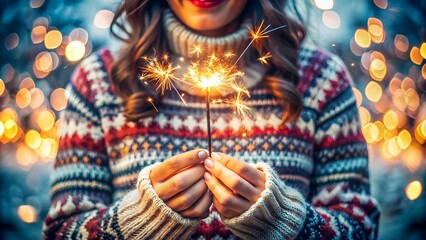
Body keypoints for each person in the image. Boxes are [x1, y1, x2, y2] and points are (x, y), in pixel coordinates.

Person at [43, 0, 380, 239]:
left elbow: (360, 226)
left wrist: (282, 220)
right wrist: (139, 221)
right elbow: (61, 231)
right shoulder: (100, 81)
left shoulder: (321, 80)